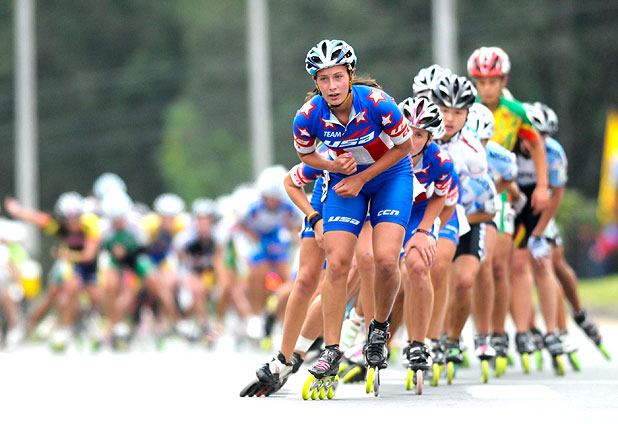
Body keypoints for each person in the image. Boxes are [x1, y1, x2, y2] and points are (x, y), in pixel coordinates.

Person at [294, 39, 414, 387]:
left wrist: (362, 177)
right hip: (346, 183)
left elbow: (405, 147)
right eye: (323, 79)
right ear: (315, 82)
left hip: (389, 177)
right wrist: (332, 164)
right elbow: (305, 155)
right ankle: (332, 349)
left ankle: (378, 329)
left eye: (338, 77)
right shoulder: (308, 116)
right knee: (337, 264)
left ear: (350, 75)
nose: (332, 86)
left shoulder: (377, 103)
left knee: (386, 261)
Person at [4, 193, 102, 351]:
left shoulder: (90, 224)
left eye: (75, 219)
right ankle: (61, 327)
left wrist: (67, 255)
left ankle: (93, 323)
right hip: (70, 264)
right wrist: (18, 211)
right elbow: (38, 218)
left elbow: (89, 255)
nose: (72, 224)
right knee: (62, 290)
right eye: (68, 220)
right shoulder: (57, 225)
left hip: (90, 264)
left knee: (96, 295)